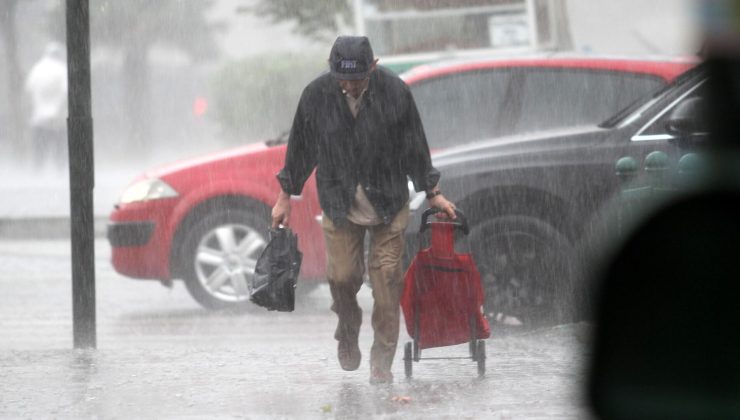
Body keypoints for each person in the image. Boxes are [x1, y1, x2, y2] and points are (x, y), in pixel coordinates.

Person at [272, 36, 456, 384]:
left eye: (358, 79)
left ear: (373, 67)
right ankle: (348, 329)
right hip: (339, 203)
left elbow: (415, 146)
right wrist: (285, 196)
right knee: (342, 278)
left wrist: (433, 192)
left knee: (386, 280)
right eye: (344, 79)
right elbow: (300, 149)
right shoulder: (316, 96)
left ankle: (381, 362)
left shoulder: (395, 93)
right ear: (333, 70)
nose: (351, 86)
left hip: (388, 201)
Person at [25, 42, 68, 171]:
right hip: (58, 117)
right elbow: (66, 91)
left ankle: (38, 171)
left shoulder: (37, 68)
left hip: (39, 117)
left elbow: (28, 89)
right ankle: (60, 170)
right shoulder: (62, 69)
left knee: (39, 148)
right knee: (59, 147)